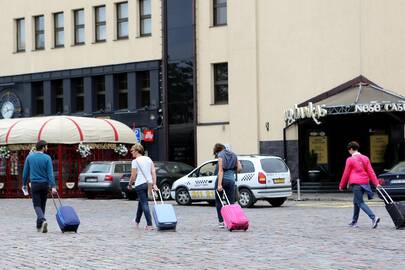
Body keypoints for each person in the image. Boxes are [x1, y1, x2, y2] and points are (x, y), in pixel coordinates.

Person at [339, 141, 381, 228]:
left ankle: (374, 217)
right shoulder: (365, 158)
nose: (349, 152)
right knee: (356, 201)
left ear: (351, 149)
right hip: (365, 183)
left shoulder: (350, 159)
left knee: (360, 202)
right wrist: (376, 183)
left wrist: (342, 185)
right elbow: (371, 172)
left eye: (348, 150)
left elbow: (346, 173)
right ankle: (354, 221)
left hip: (356, 184)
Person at [22, 140, 57, 233]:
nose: (47, 148)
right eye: (46, 146)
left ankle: (42, 220)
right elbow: (50, 173)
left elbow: (25, 173)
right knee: (42, 204)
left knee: (37, 205)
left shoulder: (29, 157)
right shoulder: (47, 158)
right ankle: (39, 224)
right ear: (43, 147)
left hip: (35, 184)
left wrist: (24, 184)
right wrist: (53, 186)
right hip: (45, 184)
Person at [128, 143, 158, 230]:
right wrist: (154, 184)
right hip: (149, 183)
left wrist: (130, 184)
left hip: (140, 184)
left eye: (132, 151)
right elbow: (153, 172)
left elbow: (133, 176)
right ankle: (137, 221)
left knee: (144, 204)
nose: (131, 153)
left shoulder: (135, 161)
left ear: (137, 151)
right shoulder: (149, 159)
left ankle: (149, 225)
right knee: (141, 203)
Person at [213, 143, 242, 228]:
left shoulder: (220, 155)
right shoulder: (234, 155)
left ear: (217, 151)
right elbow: (240, 168)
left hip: (222, 180)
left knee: (219, 201)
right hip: (231, 181)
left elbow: (221, 171)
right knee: (231, 202)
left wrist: (219, 185)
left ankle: (221, 222)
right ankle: (232, 220)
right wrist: (232, 171)